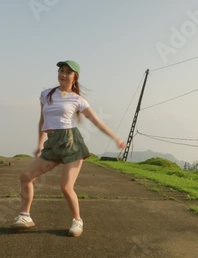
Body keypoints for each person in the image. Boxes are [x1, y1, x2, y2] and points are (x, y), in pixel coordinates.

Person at [10, 60, 126, 237]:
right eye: (61, 70)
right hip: (53, 142)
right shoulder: (46, 95)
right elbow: (42, 121)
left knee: (65, 187)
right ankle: (25, 216)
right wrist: (40, 144)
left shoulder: (78, 100)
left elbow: (96, 121)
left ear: (75, 77)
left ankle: (77, 220)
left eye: (68, 72)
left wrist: (115, 138)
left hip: (71, 142)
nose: (63, 74)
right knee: (26, 176)